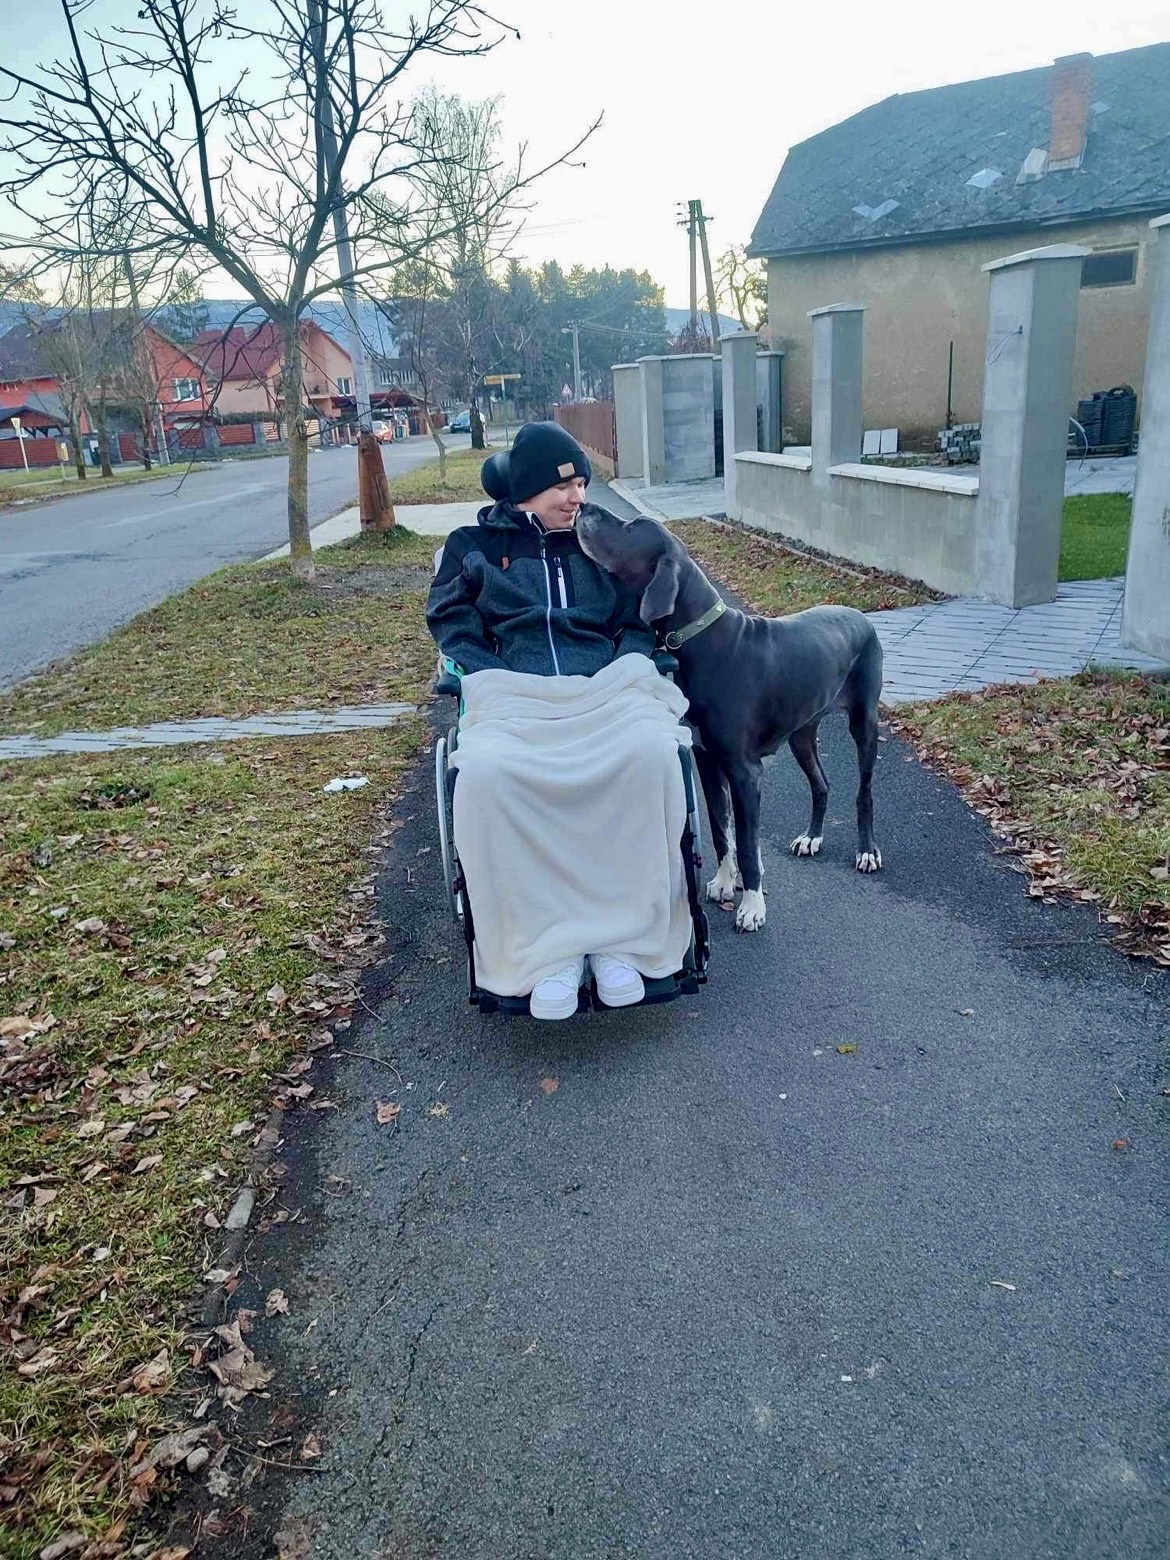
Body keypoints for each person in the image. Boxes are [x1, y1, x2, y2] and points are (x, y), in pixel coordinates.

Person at [426, 421, 693, 1019]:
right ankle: (547, 955)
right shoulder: (471, 545)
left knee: (652, 754)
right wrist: (490, 673)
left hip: (604, 691)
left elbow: (638, 619)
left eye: (582, 485)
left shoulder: (601, 542)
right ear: (526, 490)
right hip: (515, 694)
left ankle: (623, 943)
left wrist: (627, 662)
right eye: (563, 487)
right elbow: (451, 622)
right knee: (487, 774)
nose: (578, 498)